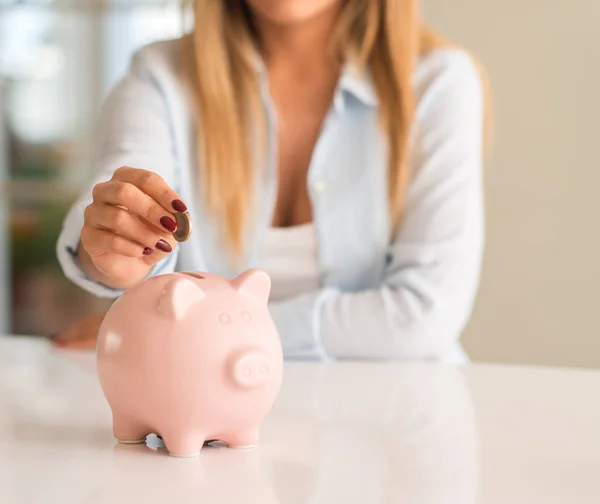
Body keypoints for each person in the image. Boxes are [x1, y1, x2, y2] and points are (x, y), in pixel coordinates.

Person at [56, 0, 488, 361]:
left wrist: (188, 335)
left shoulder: (439, 83)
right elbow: (115, 208)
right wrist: (113, 249)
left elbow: (423, 315)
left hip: (401, 426)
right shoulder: (160, 77)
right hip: (206, 422)